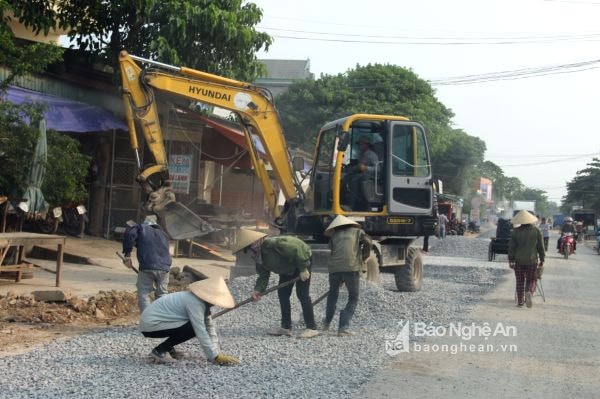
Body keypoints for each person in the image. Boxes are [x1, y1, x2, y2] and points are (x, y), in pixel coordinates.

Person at [231, 230, 319, 338]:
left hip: (302, 260)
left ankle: (312, 328)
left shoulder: (272, 244)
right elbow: (263, 276)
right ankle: (286, 327)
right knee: (283, 294)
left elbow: (296, 249)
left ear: (255, 242)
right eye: (248, 249)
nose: (250, 250)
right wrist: (258, 290)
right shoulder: (258, 256)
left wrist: (303, 268)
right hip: (286, 269)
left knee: (302, 294)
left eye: (250, 247)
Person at [140, 276, 240, 366]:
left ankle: (168, 348)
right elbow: (200, 330)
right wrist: (214, 356)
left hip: (156, 322)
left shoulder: (200, 301)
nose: (215, 303)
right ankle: (160, 350)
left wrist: (216, 353)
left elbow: (209, 326)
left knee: (192, 326)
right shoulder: (195, 303)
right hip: (150, 325)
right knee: (192, 328)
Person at [322, 215, 372, 336]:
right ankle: (343, 327)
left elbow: (332, 249)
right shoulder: (358, 232)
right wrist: (364, 257)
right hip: (351, 267)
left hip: (334, 269)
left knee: (333, 294)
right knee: (353, 297)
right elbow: (368, 242)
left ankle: (326, 323)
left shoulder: (334, 235)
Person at [122, 215, 172, 312]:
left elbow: (129, 234)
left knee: (144, 293)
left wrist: (127, 255)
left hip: (147, 265)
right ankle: (162, 320)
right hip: (165, 267)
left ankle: (147, 321)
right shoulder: (163, 234)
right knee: (162, 294)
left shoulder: (141, 228)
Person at [508, 210, 545, 308]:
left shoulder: (515, 232)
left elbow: (512, 247)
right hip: (532, 260)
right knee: (531, 279)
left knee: (520, 280)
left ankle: (520, 301)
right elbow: (541, 247)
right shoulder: (537, 231)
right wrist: (542, 259)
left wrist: (511, 260)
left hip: (518, 261)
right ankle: (529, 292)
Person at [347, 135, 379, 211]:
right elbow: (359, 166)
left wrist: (366, 168)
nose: (359, 146)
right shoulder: (361, 155)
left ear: (366, 145)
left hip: (371, 177)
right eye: (359, 144)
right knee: (347, 178)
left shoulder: (372, 155)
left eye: (361, 144)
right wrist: (352, 168)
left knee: (355, 180)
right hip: (362, 175)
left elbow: (378, 169)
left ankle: (351, 206)